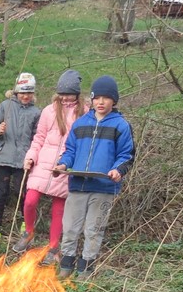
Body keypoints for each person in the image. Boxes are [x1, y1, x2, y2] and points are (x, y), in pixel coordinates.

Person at [54, 75, 135, 279]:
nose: (101, 102)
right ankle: (66, 265)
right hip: (78, 185)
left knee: (94, 229)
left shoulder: (121, 125)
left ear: (114, 101)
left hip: (104, 188)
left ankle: (86, 267)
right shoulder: (80, 123)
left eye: (106, 98)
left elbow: (126, 155)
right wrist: (63, 164)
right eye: (97, 98)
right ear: (91, 99)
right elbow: (70, 150)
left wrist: (117, 170)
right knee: (70, 227)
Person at [21, 69, 88, 265]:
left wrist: (71, 164)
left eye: (69, 94)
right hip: (43, 164)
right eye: (62, 93)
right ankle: (28, 232)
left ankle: (53, 247)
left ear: (77, 94)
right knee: (30, 200)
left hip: (65, 167)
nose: (65, 98)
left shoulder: (84, 113)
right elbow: (39, 137)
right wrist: (31, 156)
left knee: (58, 210)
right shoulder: (48, 111)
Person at [0, 72, 40, 236]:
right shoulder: (6, 106)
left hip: (22, 159)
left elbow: (37, 136)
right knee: (1, 192)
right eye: (23, 92)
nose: (25, 96)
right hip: (3, 157)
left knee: (22, 192)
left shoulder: (36, 112)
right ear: (16, 92)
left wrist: (33, 155)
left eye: (29, 92)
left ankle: (25, 222)